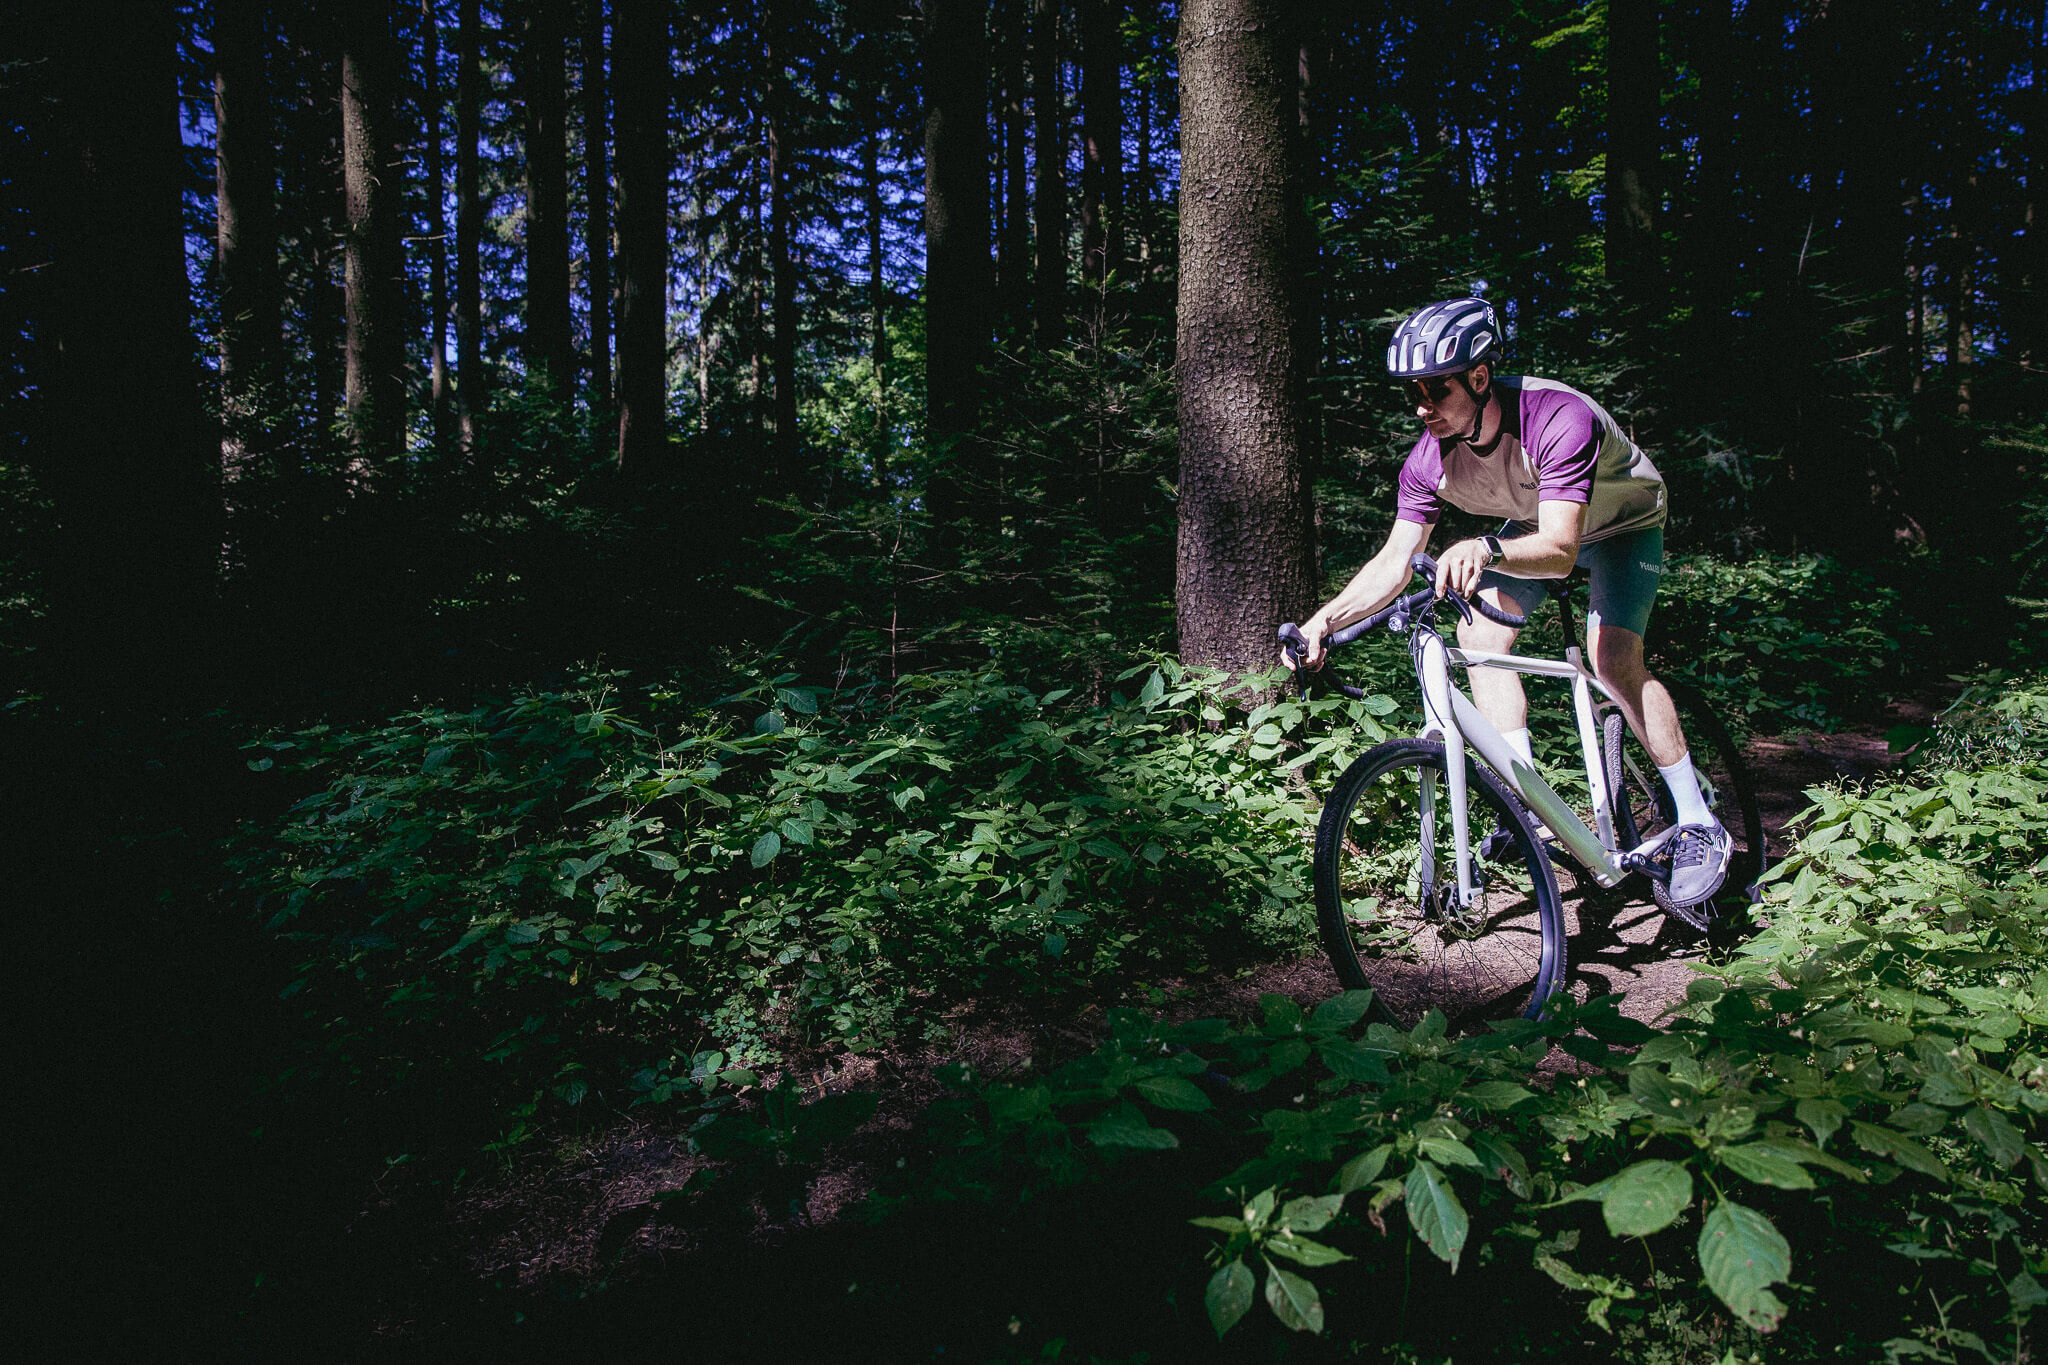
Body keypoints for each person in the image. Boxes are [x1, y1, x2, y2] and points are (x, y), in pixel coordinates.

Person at [1288, 296, 1731, 908]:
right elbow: (1393, 561)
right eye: (1411, 394)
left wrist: (1484, 547)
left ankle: (1697, 820)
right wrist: (1322, 622)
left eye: (1435, 392)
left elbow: (1558, 548)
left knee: (1612, 660)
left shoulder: (1557, 417)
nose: (1422, 408)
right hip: (1533, 526)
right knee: (1479, 640)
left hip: (1621, 527)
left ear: (1478, 377)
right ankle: (1530, 807)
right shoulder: (1428, 460)